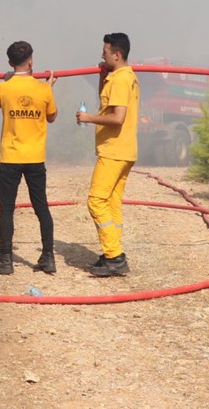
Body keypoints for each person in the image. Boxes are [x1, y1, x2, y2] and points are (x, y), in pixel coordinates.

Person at [0, 41, 58, 275]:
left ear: (9, 63)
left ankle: (5, 260)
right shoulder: (44, 89)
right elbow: (52, 117)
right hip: (35, 158)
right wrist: (49, 88)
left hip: (11, 158)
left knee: (7, 210)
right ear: (31, 60)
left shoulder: (3, 88)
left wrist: (6, 83)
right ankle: (48, 257)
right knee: (41, 207)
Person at [76, 33, 140, 277]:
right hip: (124, 150)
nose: (101, 55)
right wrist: (104, 76)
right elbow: (110, 103)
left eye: (105, 52)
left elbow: (117, 118)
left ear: (117, 54)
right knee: (112, 203)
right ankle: (112, 252)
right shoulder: (124, 77)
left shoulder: (121, 81)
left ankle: (115, 256)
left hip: (114, 150)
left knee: (96, 201)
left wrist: (88, 118)